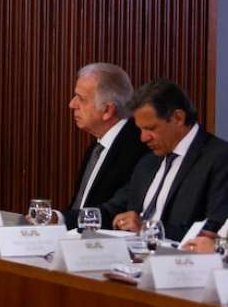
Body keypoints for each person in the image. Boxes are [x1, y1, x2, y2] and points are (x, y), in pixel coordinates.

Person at [108, 79, 228, 241]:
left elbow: (215, 231)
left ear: (178, 118)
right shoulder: (147, 162)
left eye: (150, 128)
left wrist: (146, 229)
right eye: (140, 129)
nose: (143, 138)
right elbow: (119, 207)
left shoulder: (219, 157)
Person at [57, 63, 149, 228]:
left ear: (107, 110)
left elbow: (116, 211)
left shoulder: (138, 147)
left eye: (81, 99)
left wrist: (59, 218)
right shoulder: (98, 145)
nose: (72, 104)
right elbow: (79, 205)